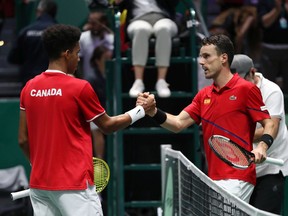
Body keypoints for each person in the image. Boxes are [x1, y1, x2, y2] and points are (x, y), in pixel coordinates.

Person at [18, 24, 155, 216]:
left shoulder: (28, 88)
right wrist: (141, 110)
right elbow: (107, 126)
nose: (79, 57)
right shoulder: (79, 87)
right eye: (77, 52)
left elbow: (22, 139)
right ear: (67, 53)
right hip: (74, 184)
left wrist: (39, 163)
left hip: (40, 185)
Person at [137, 34, 276, 203]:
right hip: (213, 178)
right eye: (201, 56)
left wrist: (262, 146)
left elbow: (269, 123)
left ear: (223, 58)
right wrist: (153, 111)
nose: (201, 62)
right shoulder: (203, 95)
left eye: (206, 56)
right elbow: (178, 123)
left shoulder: (245, 89)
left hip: (238, 177)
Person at [231, 54, 288, 214]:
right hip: (243, 170)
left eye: (241, 80)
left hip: (271, 166)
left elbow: (271, 128)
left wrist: (238, 134)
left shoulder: (271, 92)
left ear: (253, 72)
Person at [114, 0, 179, 98]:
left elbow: (174, 3)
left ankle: (161, 81)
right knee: (141, 29)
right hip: (138, 20)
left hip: (163, 19)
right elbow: (115, 5)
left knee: (163, 29)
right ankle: (138, 81)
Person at [7, 0, 57, 88]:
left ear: (39, 11)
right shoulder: (60, 32)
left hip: (30, 80)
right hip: (53, 81)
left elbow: (13, 57)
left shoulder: (26, 32)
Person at [257, 0, 288, 94]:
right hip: (269, 49)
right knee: (268, 85)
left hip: (287, 48)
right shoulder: (265, 2)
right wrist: (277, 9)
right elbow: (265, 23)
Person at [87, 45, 112, 159]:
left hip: (110, 112)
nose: (109, 62)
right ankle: (100, 162)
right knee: (97, 131)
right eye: (105, 60)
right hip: (95, 113)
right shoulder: (92, 79)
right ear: (97, 61)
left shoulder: (112, 76)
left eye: (110, 59)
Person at [79, 10, 114, 80]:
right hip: (88, 80)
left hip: (108, 81)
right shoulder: (83, 38)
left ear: (103, 23)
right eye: (90, 23)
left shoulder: (111, 39)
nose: (91, 26)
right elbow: (79, 61)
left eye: (94, 23)